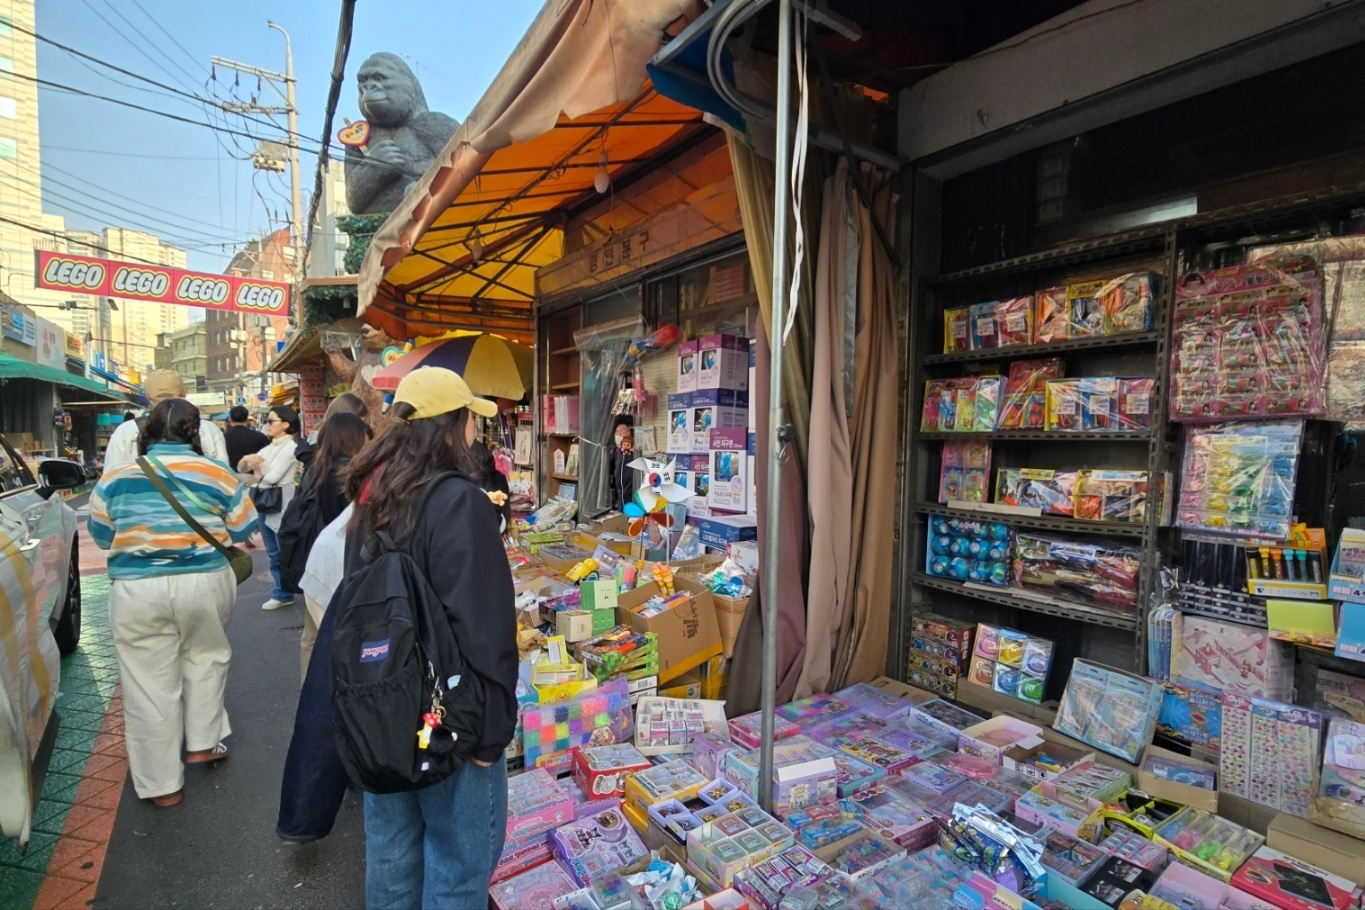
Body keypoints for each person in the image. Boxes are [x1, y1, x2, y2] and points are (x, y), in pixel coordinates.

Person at [342, 367, 516, 909]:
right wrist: (493, 733)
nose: (474, 433)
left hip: (381, 712)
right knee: (458, 868)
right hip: (449, 720)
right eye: (470, 419)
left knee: (393, 857)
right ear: (454, 424)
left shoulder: (373, 496)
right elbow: (483, 626)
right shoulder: (458, 501)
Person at [87, 398, 258, 807]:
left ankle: (163, 787)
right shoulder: (217, 473)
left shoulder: (116, 477)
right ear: (194, 432)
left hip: (137, 591)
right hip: (204, 580)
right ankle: (203, 742)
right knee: (206, 657)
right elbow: (243, 528)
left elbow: (102, 536)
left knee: (147, 684)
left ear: (144, 432)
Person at [294, 412, 370, 680]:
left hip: (314, 558)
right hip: (340, 561)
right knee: (337, 637)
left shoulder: (315, 468)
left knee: (311, 638)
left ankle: (308, 696)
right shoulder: (351, 472)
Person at [239, 405, 301, 611]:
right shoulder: (269, 447)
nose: (267, 425)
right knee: (273, 551)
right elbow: (244, 468)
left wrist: (258, 477)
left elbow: (273, 477)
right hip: (266, 502)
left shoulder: (290, 448)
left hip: (281, 502)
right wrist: (245, 460)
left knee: (282, 551)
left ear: (285, 424)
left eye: (271, 421)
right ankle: (282, 591)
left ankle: (283, 592)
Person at [104, 371, 229, 470]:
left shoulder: (125, 431)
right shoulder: (209, 429)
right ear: (184, 393)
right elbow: (225, 475)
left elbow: (109, 478)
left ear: (147, 396)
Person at [223, 405, 269, 472]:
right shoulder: (260, 437)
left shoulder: (223, 437)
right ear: (247, 419)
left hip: (230, 475)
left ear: (230, 419)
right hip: (255, 475)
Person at [608, 415, 637, 510]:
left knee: (625, 498)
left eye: (620, 432)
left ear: (628, 432)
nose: (617, 435)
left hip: (627, 484)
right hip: (621, 486)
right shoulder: (619, 450)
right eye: (616, 432)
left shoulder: (627, 450)